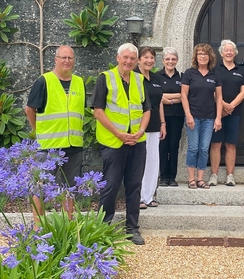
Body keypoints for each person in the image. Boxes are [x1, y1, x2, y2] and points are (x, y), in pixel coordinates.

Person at [91, 43, 151, 245]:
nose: (128, 62)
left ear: (136, 61)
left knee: (134, 186)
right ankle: (103, 228)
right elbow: (97, 111)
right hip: (113, 142)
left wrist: (140, 131)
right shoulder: (105, 78)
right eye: (125, 58)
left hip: (137, 142)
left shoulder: (140, 79)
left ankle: (132, 228)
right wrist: (119, 133)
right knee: (110, 186)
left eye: (132, 59)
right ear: (118, 57)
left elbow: (146, 109)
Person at [25, 45, 85, 224]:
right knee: (41, 186)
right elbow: (30, 109)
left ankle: (67, 224)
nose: (67, 61)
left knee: (70, 187)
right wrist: (39, 132)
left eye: (70, 58)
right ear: (56, 59)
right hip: (48, 146)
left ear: (74, 61)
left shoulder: (79, 82)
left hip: (73, 145)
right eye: (63, 58)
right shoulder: (44, 81)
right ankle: (38, 226)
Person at [181, 43, 222, 189]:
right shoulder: (189, 74)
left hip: (209, 117)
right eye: (200, 54)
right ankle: (191, 179)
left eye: (205, 54)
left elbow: (219, 98)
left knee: (204, 148)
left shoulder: (215, 74)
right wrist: (188, 115)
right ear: (196, 57)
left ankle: (200, 179)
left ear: (210, 56)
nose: (203, 56)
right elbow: (184, 96)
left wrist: (218, 118)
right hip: (193, 116)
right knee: (193, 147)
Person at [209, 40, 244, 186]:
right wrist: (223, 105)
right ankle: (214, 175)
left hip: (235, 112)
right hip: (217, 112)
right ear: (221, 53)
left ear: (235, 53)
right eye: (226, 50)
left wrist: (231, 106)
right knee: (216, 143)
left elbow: (243, 91)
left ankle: (230, 176)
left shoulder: (241, 70)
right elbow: (211, 89)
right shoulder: (214, 69)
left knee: (231, 144)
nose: (229, 52)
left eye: (232, 50)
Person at [135, 47, 166, 209]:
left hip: (154, 124)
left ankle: (149, 196)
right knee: (139, 162)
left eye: (152, 58)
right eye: (146, 57)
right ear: (139, 59)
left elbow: (159, 101)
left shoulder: (156, 78)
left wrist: (163, 123)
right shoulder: (134, 77)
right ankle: (138, 197)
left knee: (153, 162)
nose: (149, 60)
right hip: (138, 126)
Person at [158, 47, 184, 187]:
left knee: (174, 146)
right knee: (163, 147)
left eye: (173, 59)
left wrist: (168, 98)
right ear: (163, 60)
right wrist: (176, 96)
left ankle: (172, 177)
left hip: (177, 116)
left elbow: (184, 95)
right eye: (167, 59)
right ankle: (163, 176)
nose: (170, 61)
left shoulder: (181, 77)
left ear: (177, 61)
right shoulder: (157, 76)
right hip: (162, 117)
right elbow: (157, 96)